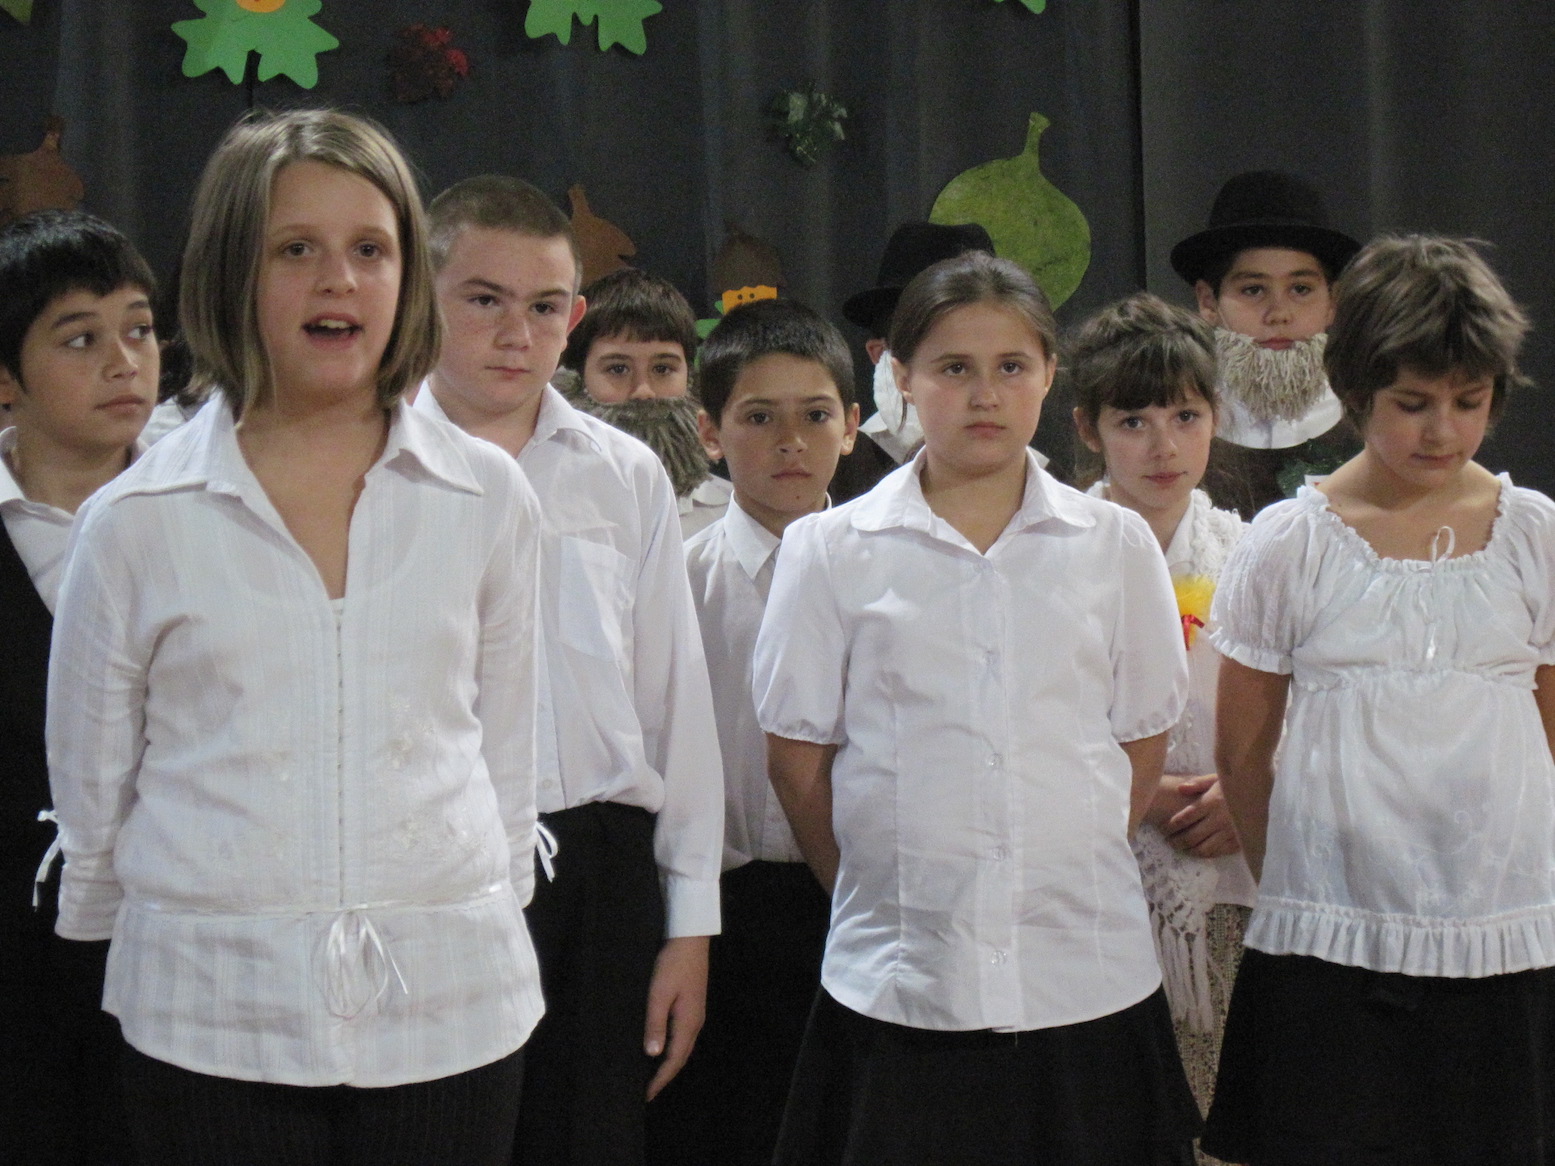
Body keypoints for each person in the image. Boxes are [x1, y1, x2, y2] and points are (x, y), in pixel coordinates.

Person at [46, 109, 545, 1166]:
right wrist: (111, 926)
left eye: (370, 249)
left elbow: (506, 746)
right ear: (235, 270)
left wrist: (483, 900)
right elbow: (93, 785)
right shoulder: (136, 520)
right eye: (295, 249)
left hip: (449, 1007)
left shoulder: (487, 496)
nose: (339, 280)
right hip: (209, 1015)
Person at [755, 250, 1201, 1165]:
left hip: (1084, 972)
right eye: (954, 368)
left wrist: (1053, 864)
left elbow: (1139, 743)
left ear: (1048, 373)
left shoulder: (1113, 545)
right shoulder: (830, 549)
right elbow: (797, 763)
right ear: (901, 377)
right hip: (903, 979)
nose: (984, 395)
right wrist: (885, 892)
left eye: (1010, 366)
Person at [1201, 236, 1555, 1165]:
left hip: (1502, 929)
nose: (1441, 430)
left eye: (1467, 402)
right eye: (1412, 403)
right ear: (1355, 391)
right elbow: (1242, 752)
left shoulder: (1533, 535)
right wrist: (1302, 883)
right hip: (1331, 938)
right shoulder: (1290, 543)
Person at [414, 175, 723, 1166]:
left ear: (575, 316)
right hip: (433, 856)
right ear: (422, 296)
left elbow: (673, 704)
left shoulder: (621, 471)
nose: (517, 333)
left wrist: (689, 925)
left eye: (545, 307)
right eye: (484, 300)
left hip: (599, 859)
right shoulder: (373, 461)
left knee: (590, 1134)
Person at [648, 298, 859, 1165]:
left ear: (852, 425)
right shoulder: (678, 581)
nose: (790, 443)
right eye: (759, 418)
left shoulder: (889, 573)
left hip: (858, 896)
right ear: (709, 431)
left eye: (815, 416)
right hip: (723, 911)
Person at [1069, 292, 1257, 1164]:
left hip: (1234, 870)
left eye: (1185, 417)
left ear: (1215, 417)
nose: (1163, 447)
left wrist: (1249, 794)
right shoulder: (1051, 554)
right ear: (1088, 428)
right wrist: (1139, 795)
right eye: (1133, 421)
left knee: (1229, 1115)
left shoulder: (1252, 554)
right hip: (1097, 879)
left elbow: (1308, 706)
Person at [0, 208, 157, 1166]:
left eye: (138, 329)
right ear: (5, 379)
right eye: (80, 339)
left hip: (168, 945)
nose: (123, 362)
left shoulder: (206, 511)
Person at [1170, 171, 1363, 515]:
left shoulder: (1373, 423)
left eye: (1300, 289)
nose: (1279, 314)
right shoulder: (1171, 433)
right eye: (1253, 290)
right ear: (1208, 302)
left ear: (1332, 302)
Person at [556, 266, 732, 538]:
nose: (643, 391)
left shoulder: (731, 517)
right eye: (618, 369)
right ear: (575, 380)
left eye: (663, 369)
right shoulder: (537, 507)